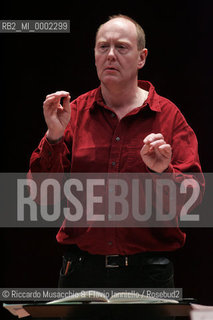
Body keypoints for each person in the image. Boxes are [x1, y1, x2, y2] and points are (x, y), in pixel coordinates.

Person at [29, 14, 204, 291]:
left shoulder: (169, 116)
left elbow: (194, 203)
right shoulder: (72, 113)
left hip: (148, 275)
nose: (110, 55)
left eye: (121, 47)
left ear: (141, 58)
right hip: (80, 273)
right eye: (103, 47)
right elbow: (42, 198)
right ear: (94, 55)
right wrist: (54, 137)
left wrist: (161, 173)